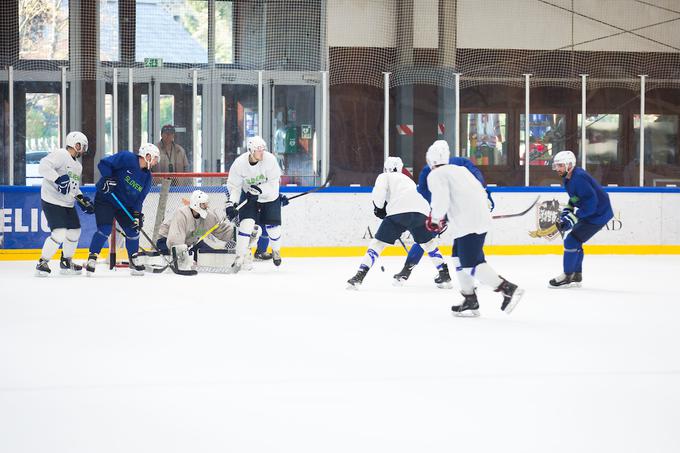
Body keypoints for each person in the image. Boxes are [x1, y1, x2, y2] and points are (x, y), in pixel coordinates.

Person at [426, 140, 523, 316]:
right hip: (477, 220)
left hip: (467, 224)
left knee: (470, 263)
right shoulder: (461, 170)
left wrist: (435, 219)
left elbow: (441, 200)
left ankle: (507, 288)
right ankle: (470, 298)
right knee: (457, 256)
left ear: (430, 161)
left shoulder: (436, 174)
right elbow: (479, 191)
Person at [393, 140, 493, 287]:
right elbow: (478, 183)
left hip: (445, 210)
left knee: (426, 240)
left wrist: (435, 216)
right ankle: (479, 274)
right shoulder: (461, 163)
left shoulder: (429, 170)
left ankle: (406, 271)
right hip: (460, 210)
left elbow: (424, 194)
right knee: (469, 240)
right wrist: (487, 198)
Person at [346, 156, 449, 290]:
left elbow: (379, 193)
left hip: (398, 211)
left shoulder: (385, 176)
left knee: (377, 244)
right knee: (428, 243)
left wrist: (379, 208)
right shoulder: (409, 180)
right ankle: (444, 274)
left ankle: (359, 276)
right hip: (421, 211)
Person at [85, 143, 160, 276]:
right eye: (155, 158)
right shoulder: (127, 158)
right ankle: (92, 257)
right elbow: (103, 163)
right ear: (147, 156)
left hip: (124, 206)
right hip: (106, 199)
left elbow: (139, 200)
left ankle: (133, 259)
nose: (155, 162)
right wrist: (108, 178)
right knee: (105, 230)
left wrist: (136, 216)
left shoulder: (147, 178)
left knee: (133, 229)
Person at [549, 150, 613, 288]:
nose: (557, 169)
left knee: (571, 241)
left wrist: (570, 219)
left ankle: (567, 276)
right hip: (594, 211)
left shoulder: (579, 178)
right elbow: (575, 199)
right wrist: (567, 212)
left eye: (560, 165)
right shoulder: (568, 178)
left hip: (598, 213)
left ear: (570, 165)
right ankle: (576, 275)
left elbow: (591, 205)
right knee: (575, 240)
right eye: (556, 166)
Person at [35, 131, 94, 276]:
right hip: (52, 200)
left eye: (84, 147)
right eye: (81, 145)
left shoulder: (77, 166)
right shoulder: (61, 154)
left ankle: (66, 262)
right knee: (59, 233)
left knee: (75, 231)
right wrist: (57, 179)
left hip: (67, 203)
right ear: (74, 143)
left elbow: (73, 188)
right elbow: (42, 166)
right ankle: (42, 262)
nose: (83, 149)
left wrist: (82, 199)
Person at [225, 135, 282, 272]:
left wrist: (259, 190)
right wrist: (231, 203)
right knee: (246, 225)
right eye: (258, 150)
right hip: (249, 195)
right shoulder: (239, 164)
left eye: (263, 149)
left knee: (273, 228)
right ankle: (239, 257)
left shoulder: (270, 160)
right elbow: (235, 187)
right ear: (251, 151)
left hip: (269, 196)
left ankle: (276, 250)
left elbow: (274, 184)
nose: (262, 152)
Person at [155, 190, 240, 271]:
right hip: (167, 241)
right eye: (203, 204)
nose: (207, 207)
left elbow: (222, 230)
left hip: (191, 243)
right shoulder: (182, 214)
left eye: (207, 204)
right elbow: (175, 239)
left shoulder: (208, 216)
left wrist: (241, 234)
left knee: (208, 255)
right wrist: (185, 259)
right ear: (196, 204)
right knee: (180, 261)